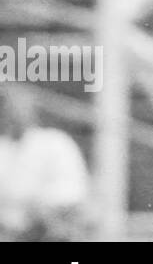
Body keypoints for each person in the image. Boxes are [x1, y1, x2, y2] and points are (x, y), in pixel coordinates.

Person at [0, 85, 90, 241]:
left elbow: (73, 191)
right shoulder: (3, 149)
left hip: (45, 226)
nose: (11, 114)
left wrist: (38, 206)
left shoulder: (54, 142)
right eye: (6, 108)